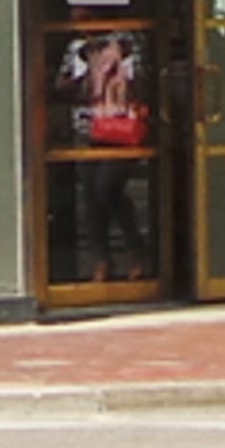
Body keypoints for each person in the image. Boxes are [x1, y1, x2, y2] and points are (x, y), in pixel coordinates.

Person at [60, 32, 153, 281]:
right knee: (91, 194)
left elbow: (146, 81)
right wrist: (87, 73)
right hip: (87, 128)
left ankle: (137, 250)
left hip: (123, 127)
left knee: (107, 187)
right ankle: (101, 259)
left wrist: (120, 68)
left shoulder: (130, 41)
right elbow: (61, 86)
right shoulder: (77, 46)